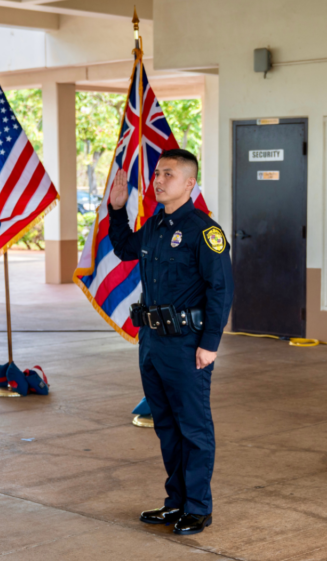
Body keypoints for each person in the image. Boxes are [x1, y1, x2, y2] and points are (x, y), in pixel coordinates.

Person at [108, 150, 233, 536]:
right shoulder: (155, 225)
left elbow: (221, 290)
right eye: (158, 173)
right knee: (165, 426)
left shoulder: (204, 231)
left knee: (193, 427)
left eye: (169, 174)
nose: (158, 180)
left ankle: (197, 507)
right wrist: (116, 210)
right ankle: (175, 502)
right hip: (152, 342)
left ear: (189, 183)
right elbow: (124, 248)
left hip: (186, 342)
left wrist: (209, 344)